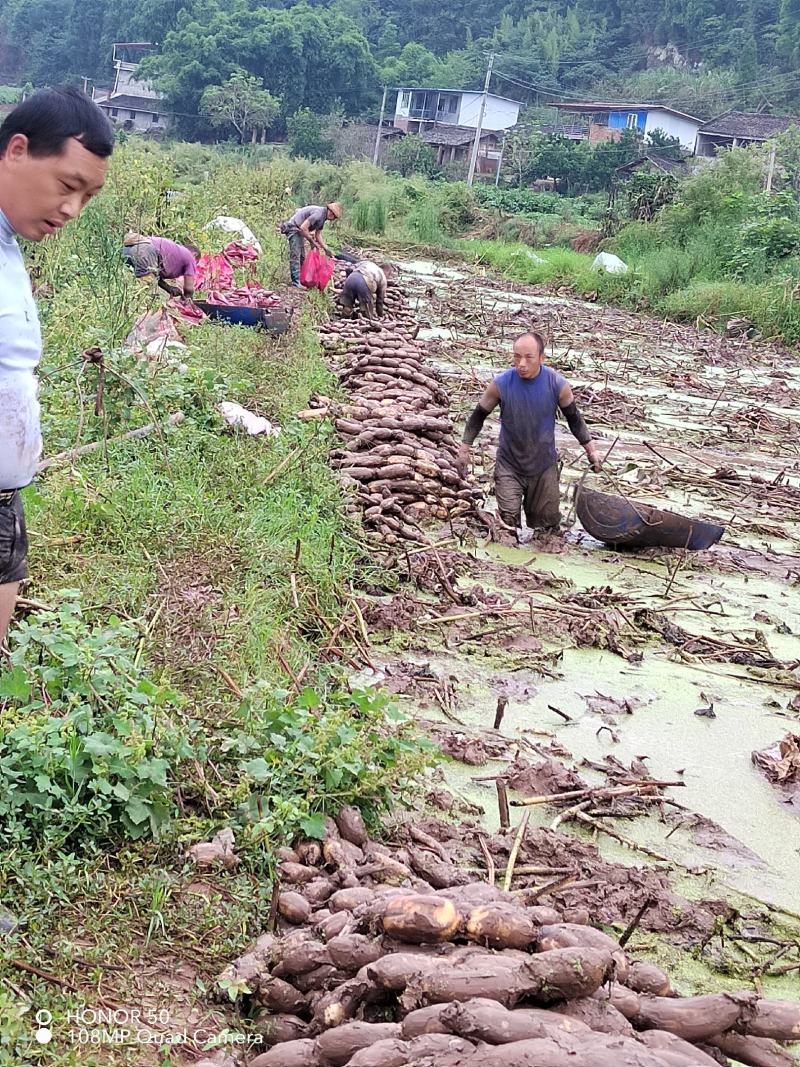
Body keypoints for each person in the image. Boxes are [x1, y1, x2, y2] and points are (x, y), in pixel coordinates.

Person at [0, 88, 112, 644]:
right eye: (68, 186)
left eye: (87, 197)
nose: (72, 210)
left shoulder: (11, 248)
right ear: (16, 150)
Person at [457, 330, 601, 536]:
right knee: (506, 528)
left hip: (543, 467)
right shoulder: (501, 384)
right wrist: (464, 448)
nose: (521, 364)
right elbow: (477, 416)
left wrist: (592, 451)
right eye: (517, 357)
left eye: (528, 357)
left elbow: (575, 420)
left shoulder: (558, 385)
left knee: (548, 533)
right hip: (509, 465)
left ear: (542, 358)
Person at [279, 202, 342, 287]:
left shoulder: (322, 218)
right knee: (296, 255)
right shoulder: (318, 214)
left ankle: (302, 279)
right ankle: (296, 282)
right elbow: (303, 227)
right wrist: (312, 241)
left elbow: (318, 235)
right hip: (293, 228)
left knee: (302, 257)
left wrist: (326, 249)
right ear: (330, 212)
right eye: (333, 217)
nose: (332, 219)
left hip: (299, 231)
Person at [122, 234, 199, 298]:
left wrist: (168, 288)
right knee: (148, 294)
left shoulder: (174, 252)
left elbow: (154, 276)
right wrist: (188, 304)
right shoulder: (190, 257)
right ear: (194, 255)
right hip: (145, 251)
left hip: (128, 249)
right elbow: (188, 289)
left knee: (137, 290)